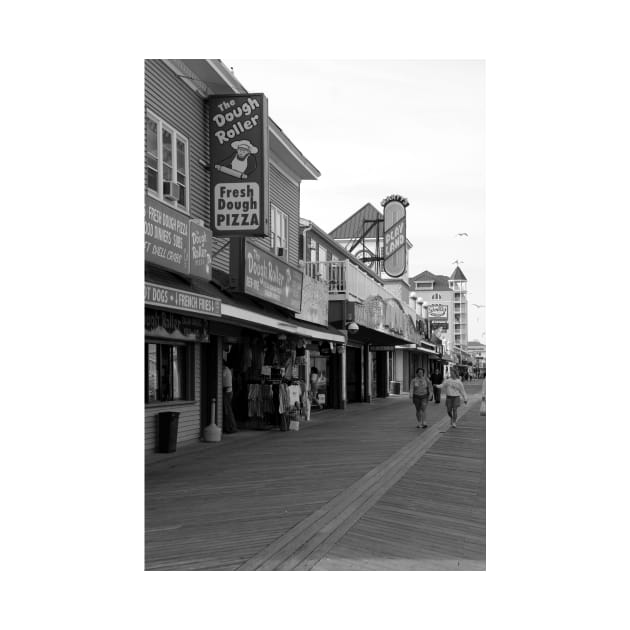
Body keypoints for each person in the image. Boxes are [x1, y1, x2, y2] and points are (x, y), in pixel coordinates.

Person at [222, 362, 238, 433]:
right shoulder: (228, 370)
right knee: (228, 410)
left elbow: (222, 379)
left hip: (227, 392)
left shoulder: (225, 370)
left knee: (228, 410)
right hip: (229, 391)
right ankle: (229, 427)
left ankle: (232, 427)